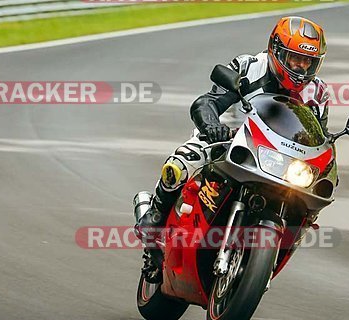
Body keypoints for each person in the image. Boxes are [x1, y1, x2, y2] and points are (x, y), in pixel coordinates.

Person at [135, 15, 330, 278]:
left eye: (308, 62)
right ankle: (155, 219)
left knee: (309, 206)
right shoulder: (248, 66)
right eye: (295, 58)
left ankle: (267, 259)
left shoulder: (318, 93)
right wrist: (211, 125)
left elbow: (318, 137)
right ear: (276, 50)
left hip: (279, 158)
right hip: (227, 140)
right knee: (179, 164)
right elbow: (206, 103)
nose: (301, 67)